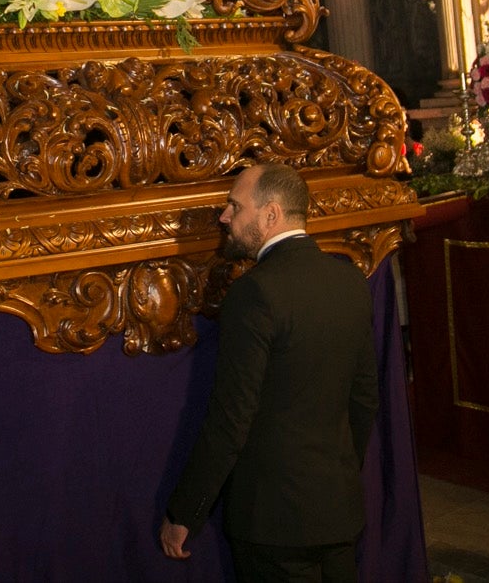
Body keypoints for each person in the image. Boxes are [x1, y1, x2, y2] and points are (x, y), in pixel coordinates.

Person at [159, 162, 378, 582]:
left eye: (234, 206)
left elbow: (230, 419)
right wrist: (337, 477)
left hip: (275, 523)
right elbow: (365, 397)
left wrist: (185, 511)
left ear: (271, 214)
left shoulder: (255, 293)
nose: (224, 217)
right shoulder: (348, 280)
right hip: (338, 511)